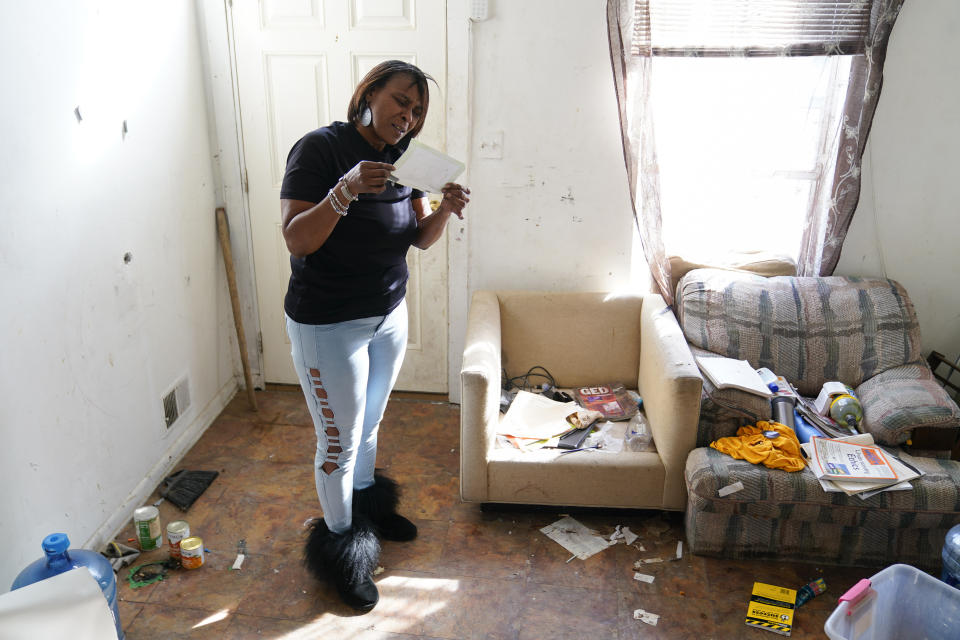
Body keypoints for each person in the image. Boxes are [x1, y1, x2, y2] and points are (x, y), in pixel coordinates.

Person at [279, 60, 469, 612]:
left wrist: (444, 211)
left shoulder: (405, 160)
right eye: (400, 102)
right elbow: (297, 239)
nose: (406, 117)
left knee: (369, 427)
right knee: (336, 443)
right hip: (329, 325)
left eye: (416, 111)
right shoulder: (319, 150)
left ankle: (369, 507)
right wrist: (345, 189)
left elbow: (419, 239)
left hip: (389, 314)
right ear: (369, 93)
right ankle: (343, 545)